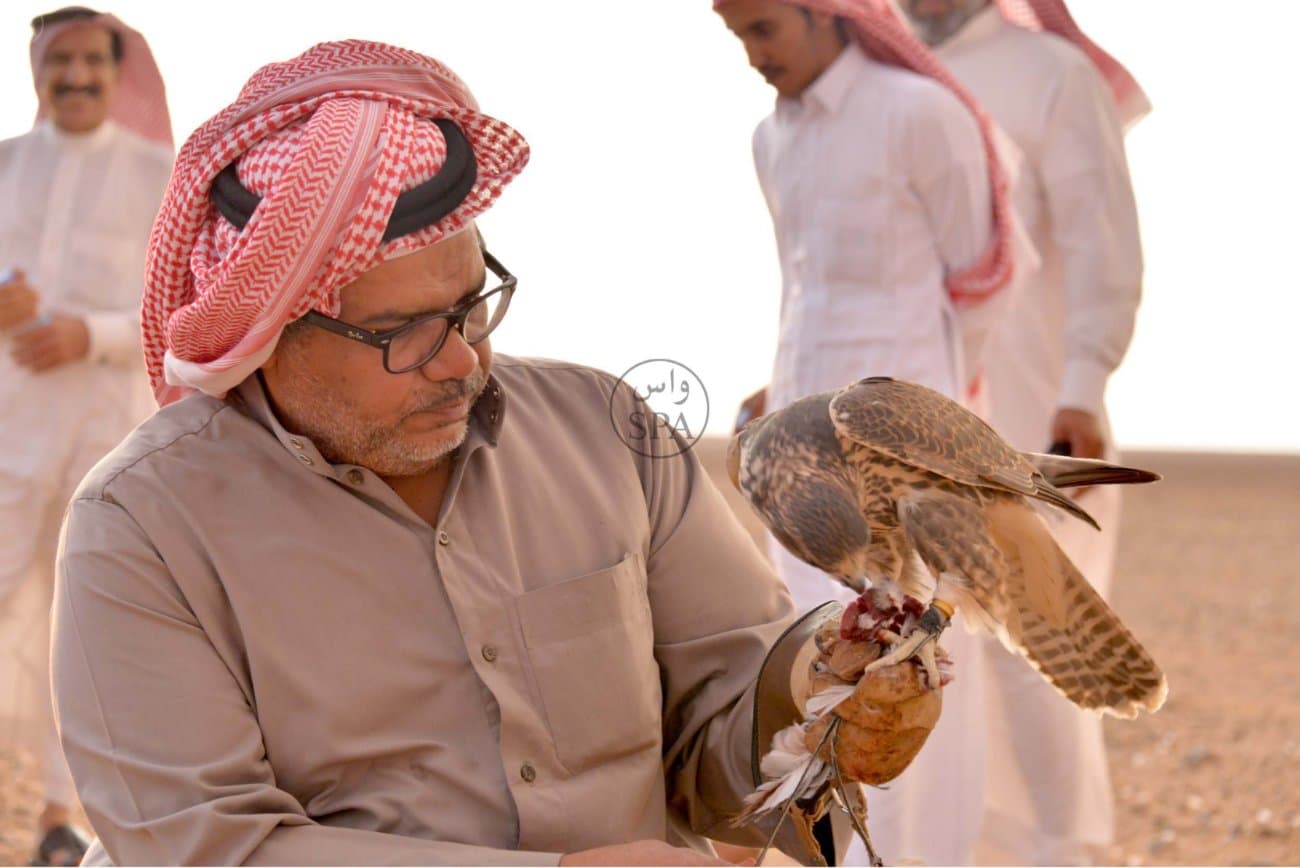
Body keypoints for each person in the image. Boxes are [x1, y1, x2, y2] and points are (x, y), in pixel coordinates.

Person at [49, 39, 936, 867]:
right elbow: (204, 848)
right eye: (401, 333)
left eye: (472, 303)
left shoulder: (604, 430)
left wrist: (820, 682)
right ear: (268, 327)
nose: (462, 359)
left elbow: (724, 715)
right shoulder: (143, 525)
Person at [714, 1, 1036, 864]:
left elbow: (986, 279)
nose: (751, 54)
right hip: (804, 464)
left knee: (919, 663)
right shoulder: (768, 138)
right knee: (823, 650)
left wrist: (935, 419)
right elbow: (801, 284)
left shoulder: (918, 112)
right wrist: (781, 385)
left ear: (825, 11)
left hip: (910, 452)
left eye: (763, 29)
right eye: (734, 32)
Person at [897, 1, 1147, 863]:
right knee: (921, 654)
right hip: (909, 436)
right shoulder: (879, 74)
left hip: (1036, 421)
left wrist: (1083, 386)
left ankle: (1059, 853)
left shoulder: (1052, 75)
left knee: (1040, 656)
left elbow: (1102, 245)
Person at [0, 7, 172, 865]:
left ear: (116, 70)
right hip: (7, 432)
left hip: (108, 435)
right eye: (55, 60)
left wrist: (88, 333)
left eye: (88, 60)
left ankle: (61, 819)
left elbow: (177, 301)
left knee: (81, 618)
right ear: (35, 69)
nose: (72, 76)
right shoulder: (2, 165)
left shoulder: (158, 172)